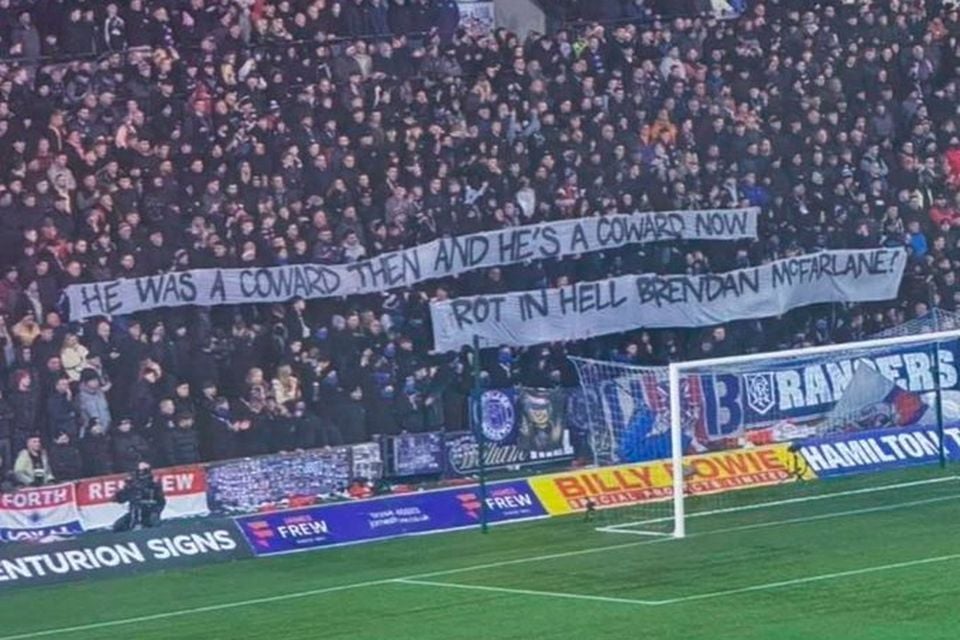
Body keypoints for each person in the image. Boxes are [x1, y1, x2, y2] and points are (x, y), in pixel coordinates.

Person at [113, 461, 166, 531]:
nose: (141, 473)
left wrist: (155, 511)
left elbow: (161, 501)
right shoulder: (132, 485)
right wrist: (123, 491)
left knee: (153, 523)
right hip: (134, 512)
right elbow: (120, 499)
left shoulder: (153, 485)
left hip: (149, 512)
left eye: (144, 471)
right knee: (118, 525)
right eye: (139, 471)